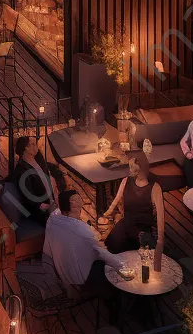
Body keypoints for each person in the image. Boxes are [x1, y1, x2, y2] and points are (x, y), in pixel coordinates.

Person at [44, 189, 125, 320]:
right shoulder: (82, 231)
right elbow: (102, 254)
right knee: (112, 276)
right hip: (80, 278)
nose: (81, 200)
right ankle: (115, 315)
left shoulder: (53, 220)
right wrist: (122, 264)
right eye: (77, 198)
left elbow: (55, 211)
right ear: (71, 204)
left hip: (63, 269)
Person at [103, 152, 164, 271]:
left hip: (143, 229)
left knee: (139, 261)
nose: (130, 170)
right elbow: (116, 200)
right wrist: (106, 213)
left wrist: (160, 241)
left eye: (132, 167)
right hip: (126, 224)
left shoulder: (155, 188)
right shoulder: (126, 181)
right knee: (112, 248)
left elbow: (161, 218)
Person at [10, 136, 59, 224]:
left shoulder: (39, 161)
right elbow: (28, 195)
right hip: (40, 212)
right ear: (26, 148)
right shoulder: (22, 170)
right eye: (33, 144)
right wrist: (45, 207)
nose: (36, 146)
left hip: (51, 205)